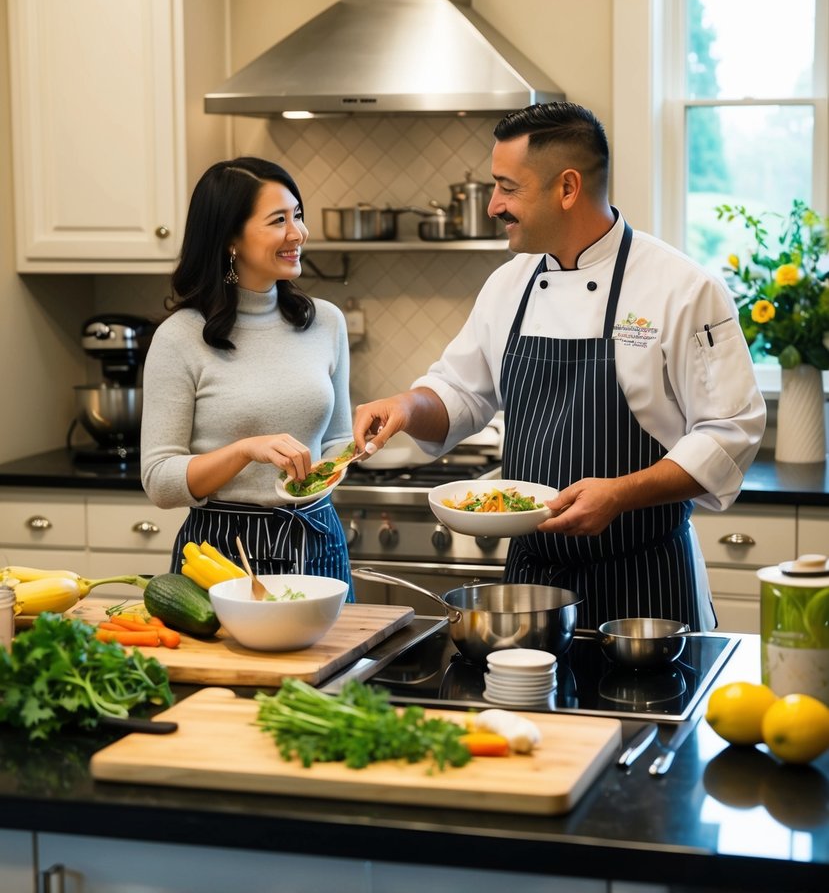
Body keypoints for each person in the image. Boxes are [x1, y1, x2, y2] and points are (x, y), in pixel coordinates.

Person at [353, 102, 766, 629]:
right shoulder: (508, 284)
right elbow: (459, 392)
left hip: (646, 585)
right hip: (533, 584)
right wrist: (406, 407)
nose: (494, 205)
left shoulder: (683, 289)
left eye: (507, 187)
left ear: (567, 188)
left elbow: (730, 431)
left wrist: (620, 495)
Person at [141, 156, 355, 597]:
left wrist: (346, 458)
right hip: (218, 557)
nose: (297, 233)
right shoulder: (179, 337)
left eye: (297, 215)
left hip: (316, 535)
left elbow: (337, 440)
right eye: (278, 220)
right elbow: (160, 480)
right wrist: (244, 451)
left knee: (338, 666)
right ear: (230, 240)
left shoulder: (326, 323)